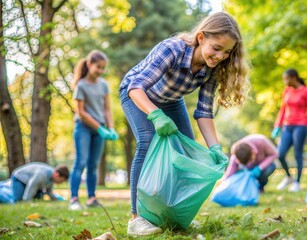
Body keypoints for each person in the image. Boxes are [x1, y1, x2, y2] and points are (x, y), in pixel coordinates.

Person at [119, 12, 249, 236]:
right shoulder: (173, 49)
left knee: (187, 151)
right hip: (137, 94)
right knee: (147, 142)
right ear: (201, 37)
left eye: (227, 52)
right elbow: (136, 88)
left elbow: (204, 112)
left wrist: (214, 147)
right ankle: (136, 218)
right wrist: (156, 115)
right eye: (216, 47)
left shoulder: (214, 68)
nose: (220, 56)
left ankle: (173, 216)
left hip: (170, 99)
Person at [69, 50, 118, 211]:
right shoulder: (81, 85)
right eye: (98, 67)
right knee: (80, 162)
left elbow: (107, 110)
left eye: (103, 68)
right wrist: (99, 127)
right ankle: (74, 199)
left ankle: (91, 198)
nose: (101, 71)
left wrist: (110, 128)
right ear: (89, 64)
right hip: (83, 128)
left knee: (93, 165)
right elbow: (81, 112)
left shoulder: (103, 85)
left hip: (100, 130)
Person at [271, 69, 307, 192]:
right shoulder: (286, 90)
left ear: (294, 78)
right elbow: (283, 109)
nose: (285, 81)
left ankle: (297, 182)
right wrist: (277, 126)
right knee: (280, 154)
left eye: (286, 78)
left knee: (298, 153)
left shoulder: (306, 91)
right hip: (287, 126)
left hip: (301, 126)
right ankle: (288, 177)